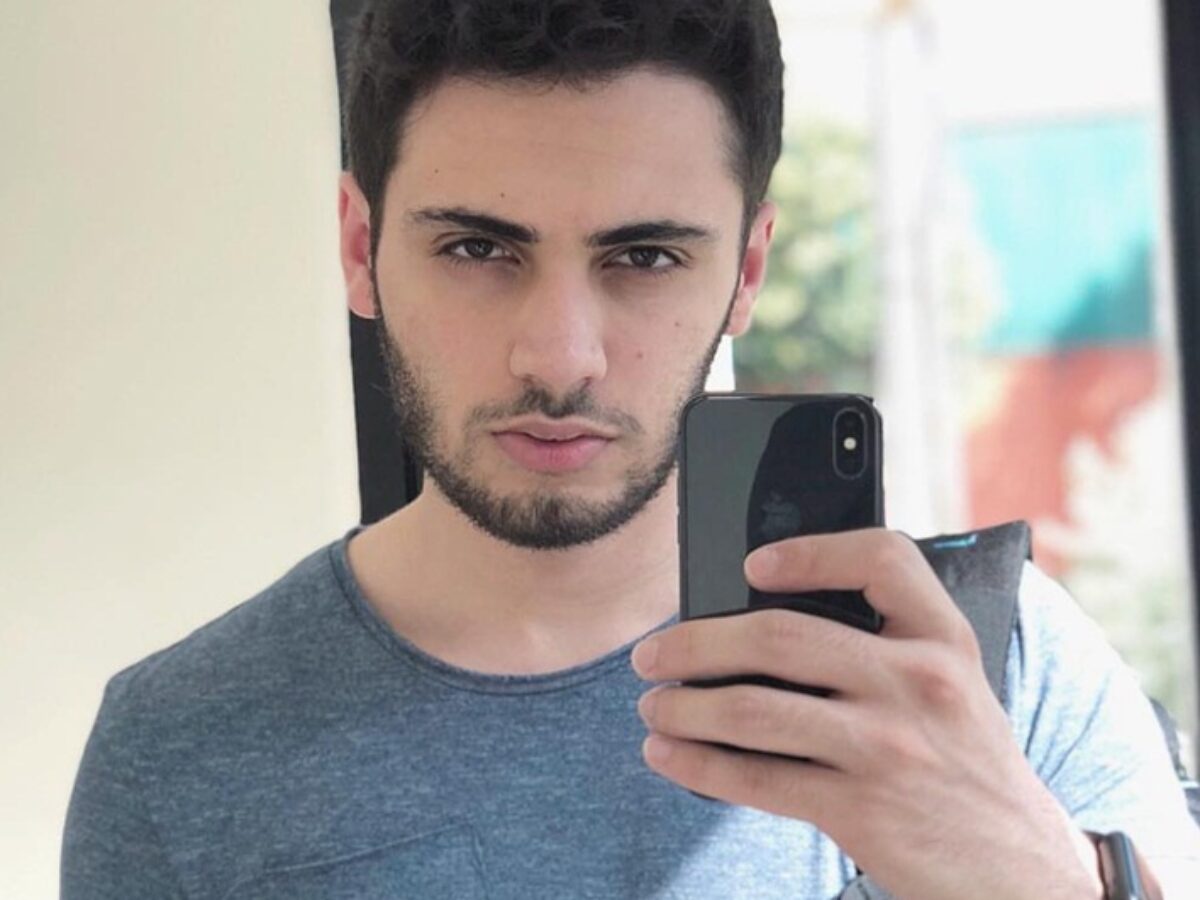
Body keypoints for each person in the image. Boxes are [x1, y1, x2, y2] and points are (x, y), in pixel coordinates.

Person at [62, 1, 1200, 897]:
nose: (561, 358)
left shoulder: (992, 666)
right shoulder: (179, 750)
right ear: (361, 248)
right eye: (476, 249)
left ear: (747, 271)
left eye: (645, 258)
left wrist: (1048, 880)